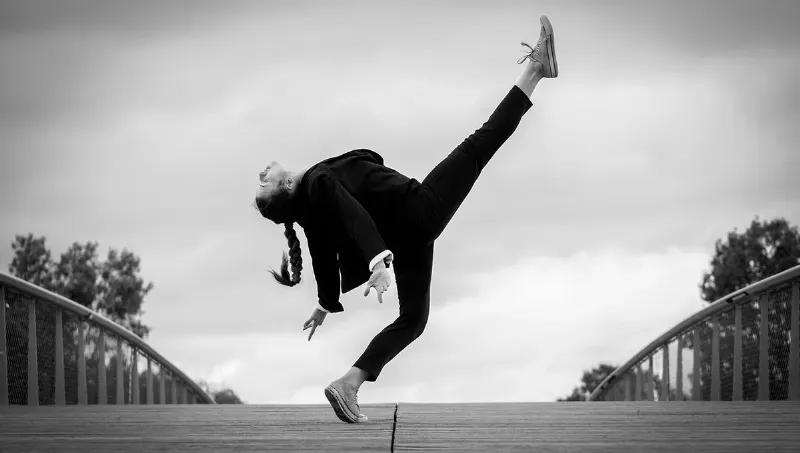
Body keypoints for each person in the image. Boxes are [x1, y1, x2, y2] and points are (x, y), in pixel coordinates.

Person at [254, 14, 558, 423]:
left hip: (408, 235)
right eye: (264, 184)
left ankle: (348, 383)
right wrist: (378, 259)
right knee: (477, 146)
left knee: (413, 319)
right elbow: (354, 213)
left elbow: (324, 260)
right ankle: (536, 68)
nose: (261, 175)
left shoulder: (310, 212)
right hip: (417, 212)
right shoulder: (319, 183)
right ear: (285, 187)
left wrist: (326, 304)